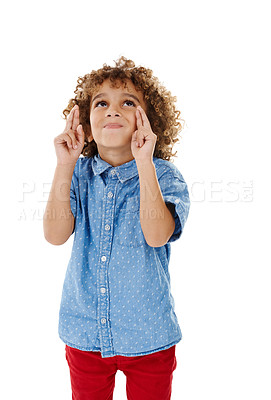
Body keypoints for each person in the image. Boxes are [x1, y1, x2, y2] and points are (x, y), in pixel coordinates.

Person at [43, 56, 190, 400]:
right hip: (85, 332)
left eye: (127, 103)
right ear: (86, 123)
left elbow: (157, 235)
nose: (113, 110)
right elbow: (54, 235)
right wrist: (65, 165)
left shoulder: (164, 176)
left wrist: (144, 163)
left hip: (149, 335)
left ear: (149, 121)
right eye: (101, 103)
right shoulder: (78, 174)